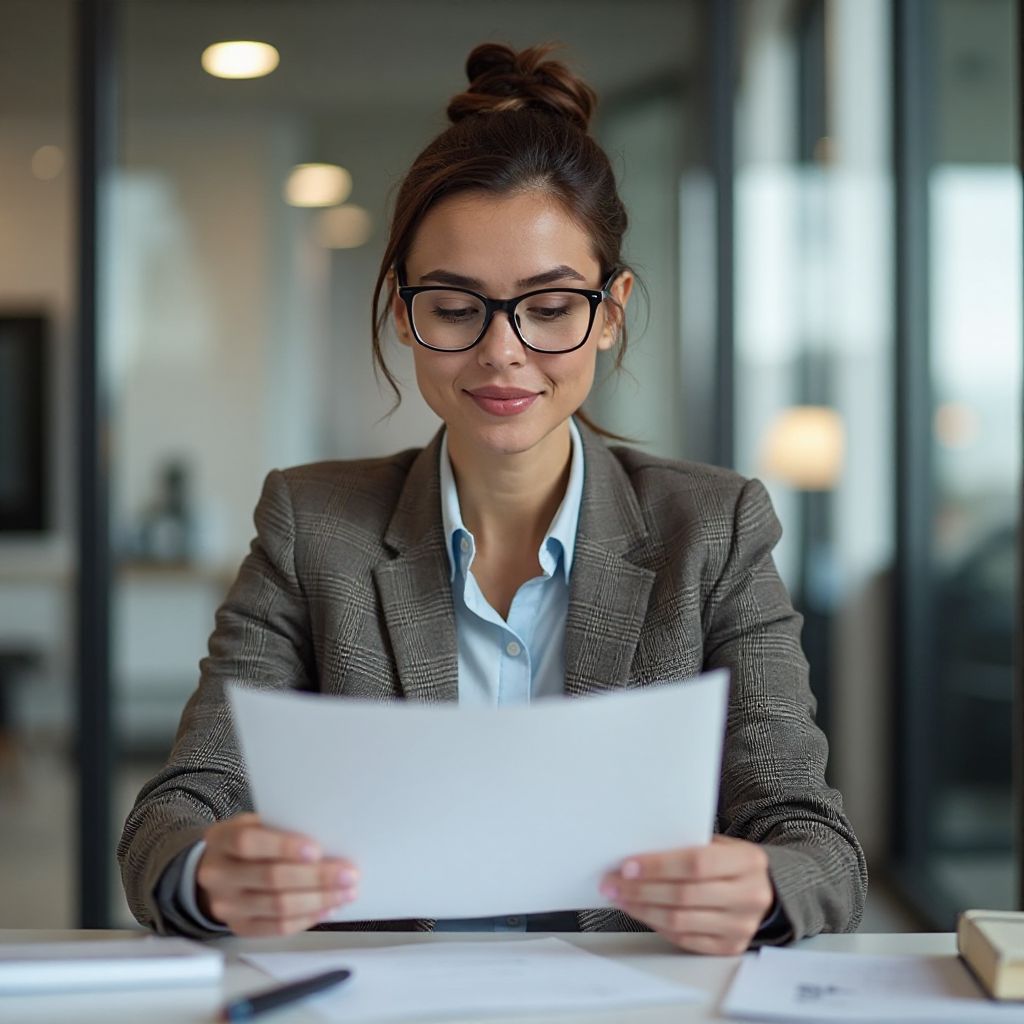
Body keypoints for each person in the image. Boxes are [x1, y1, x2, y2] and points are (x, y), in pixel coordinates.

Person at [118, 42, 867, 954]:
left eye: (550, 307)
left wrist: (766, 886)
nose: (502, 351)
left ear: (612, 309)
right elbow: (176, 809)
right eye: (455, 304)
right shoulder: (312, 527)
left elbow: (815, 841)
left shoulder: (711, 528)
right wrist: (206, 870)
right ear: (403, 311)